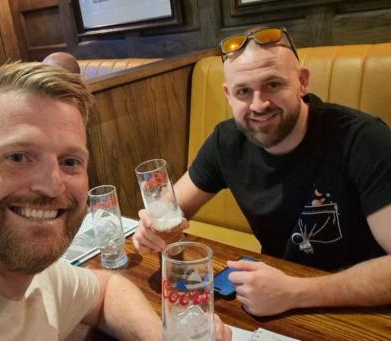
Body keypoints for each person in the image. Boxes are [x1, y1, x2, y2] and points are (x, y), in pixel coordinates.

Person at [0, 61, 230, 341]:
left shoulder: (33, 270)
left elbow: (106, 290)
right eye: (18, 156)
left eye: (70, 161)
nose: (52, 186)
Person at [133, 27, 391, 316]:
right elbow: (172, 211)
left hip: (362, 308)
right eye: (243, 91)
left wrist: (295, 292)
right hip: (274, 301)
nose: (258, 104)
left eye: (273, 85)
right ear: (228, 95)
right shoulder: (226, 141)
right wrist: (153, 230)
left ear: (302, 82)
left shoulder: (363, 139)